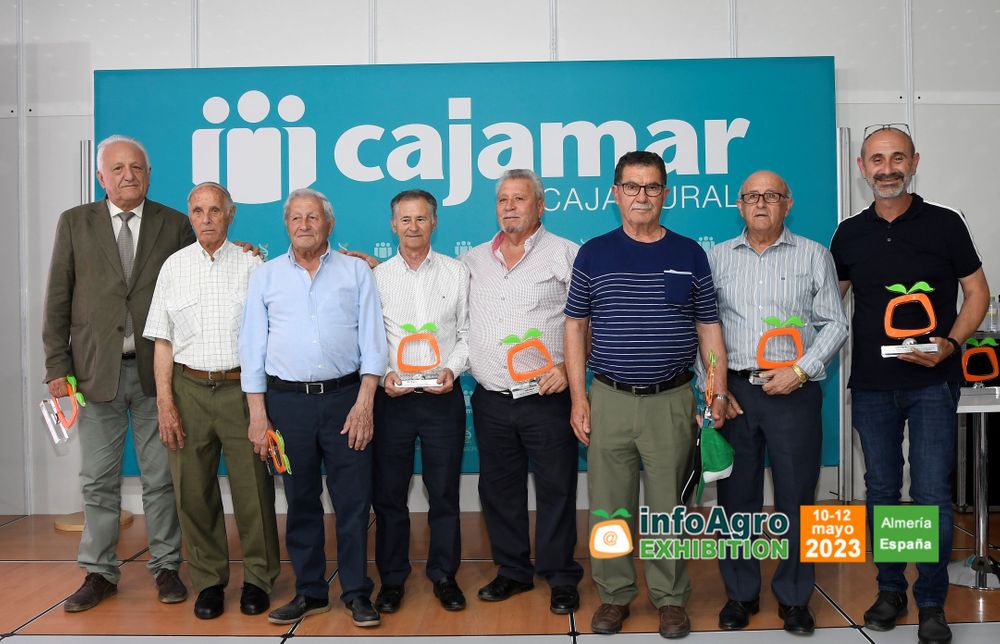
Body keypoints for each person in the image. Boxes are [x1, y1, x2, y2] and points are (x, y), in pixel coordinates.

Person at [831, 124, 989, 644]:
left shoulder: (946, 224)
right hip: (873, 386)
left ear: (914, 161)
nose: (887, 169)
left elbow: (977, 294)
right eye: (877, 160)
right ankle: (891, 588)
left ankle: (930, 602)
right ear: (862, 167)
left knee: (929, 494)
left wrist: (951, 344)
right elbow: (830, 307)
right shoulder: (848, 234)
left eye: (897, 158)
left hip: (932, 383)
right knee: (880, 489)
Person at [564, 150, 728, 639]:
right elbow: (575, 328)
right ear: (614, 193)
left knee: (668, 509)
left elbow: (709, 328)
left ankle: (671, 599)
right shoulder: (592, 253)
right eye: (631, 187)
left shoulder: (689, 253)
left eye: (652, 187)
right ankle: (614, 596)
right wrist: (578, 397)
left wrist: (716, 391)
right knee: (609, 506)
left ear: (665, 193)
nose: (642, 196)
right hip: (608, 398)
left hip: (673, 400)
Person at [43, 134, 191, 612]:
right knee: (98, 480)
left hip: (159, 377)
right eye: (118, 169)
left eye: (137, 168)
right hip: (93, 375)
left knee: (161, 478)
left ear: (149, 174)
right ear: (101, 177)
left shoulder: (176, 224)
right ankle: (98, 572)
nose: (129, 176)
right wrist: (56, 367)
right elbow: (58, 300)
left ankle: (167, 566)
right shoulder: (74, 224)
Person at [239, 187, 388, 627]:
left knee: (353, 502)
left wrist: (365, 403)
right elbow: (253, 348)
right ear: (286, 225)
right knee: (300, 501)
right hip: (286, 405)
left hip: (346, 400)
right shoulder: (264, 277)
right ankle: (310, 592)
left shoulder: (356, 273)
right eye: (296, 218)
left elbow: (373, 342)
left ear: (329, 223)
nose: (304, 225)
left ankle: (358, 592)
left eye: (313, 217)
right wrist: (257, 414)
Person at [709, 170, 848, 634]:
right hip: (736, 394)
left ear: (788, 204)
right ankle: (740, 595)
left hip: (794, 390)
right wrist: (714, 389)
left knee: (797, 497)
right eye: (752, 196)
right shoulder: (716, 258)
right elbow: (703, 330)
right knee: (735, 498)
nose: (761, 203)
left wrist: (801, 370)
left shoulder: (814, 255)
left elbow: (835, 323)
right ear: (740, 205)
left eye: (772, 196)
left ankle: (794, 598)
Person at [143, 182, 279, 619]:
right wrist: (165, 402)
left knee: (253, 490)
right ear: (190, 215)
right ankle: (208, 582)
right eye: (198, 211)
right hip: (188, 390)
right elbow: (162, 341)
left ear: (231, 214)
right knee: (192, 491)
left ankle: (258, 578)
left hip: (242, 391)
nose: (206, 219)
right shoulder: (173, 267)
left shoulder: (254, 265)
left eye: (214, 210)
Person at [461, 169, 583, 615]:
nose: (510, 206)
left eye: (519, 198)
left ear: (540, 204)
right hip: (491, 398)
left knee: (556, 489)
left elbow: (588, 321)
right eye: (503, 200)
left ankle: (561, 574)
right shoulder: (473, 260)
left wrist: (569, 371)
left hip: (546, 397)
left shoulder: (567, 254)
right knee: (498, 490)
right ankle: (512, 571)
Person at [370, 189, 470, 614]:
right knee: (389, 496)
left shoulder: (456, 272)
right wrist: (382, 376)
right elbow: (368, 338)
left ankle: (444, 576)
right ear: (393, 225)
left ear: (434, 223)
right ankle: (392, 580)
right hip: (392, 400)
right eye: (405, 220)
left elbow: (467, 334)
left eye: (421, 219)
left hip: (441, 398)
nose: (413, 227)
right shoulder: (376, 278)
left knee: (444, 493)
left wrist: (453, 369)